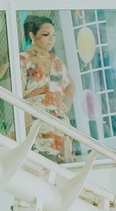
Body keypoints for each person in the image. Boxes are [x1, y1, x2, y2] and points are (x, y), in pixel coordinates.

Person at [20, 15, 76, 162]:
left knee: (64, 171)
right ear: (33, 35)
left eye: (53, 35)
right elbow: (16, 97)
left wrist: (67, 104)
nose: (51, 39)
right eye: (46, 35)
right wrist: (29, 127)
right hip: (35, 124)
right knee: (39, 169)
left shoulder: (56, 60)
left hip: (60, 124)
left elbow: (70, 84)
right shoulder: (22, 61)